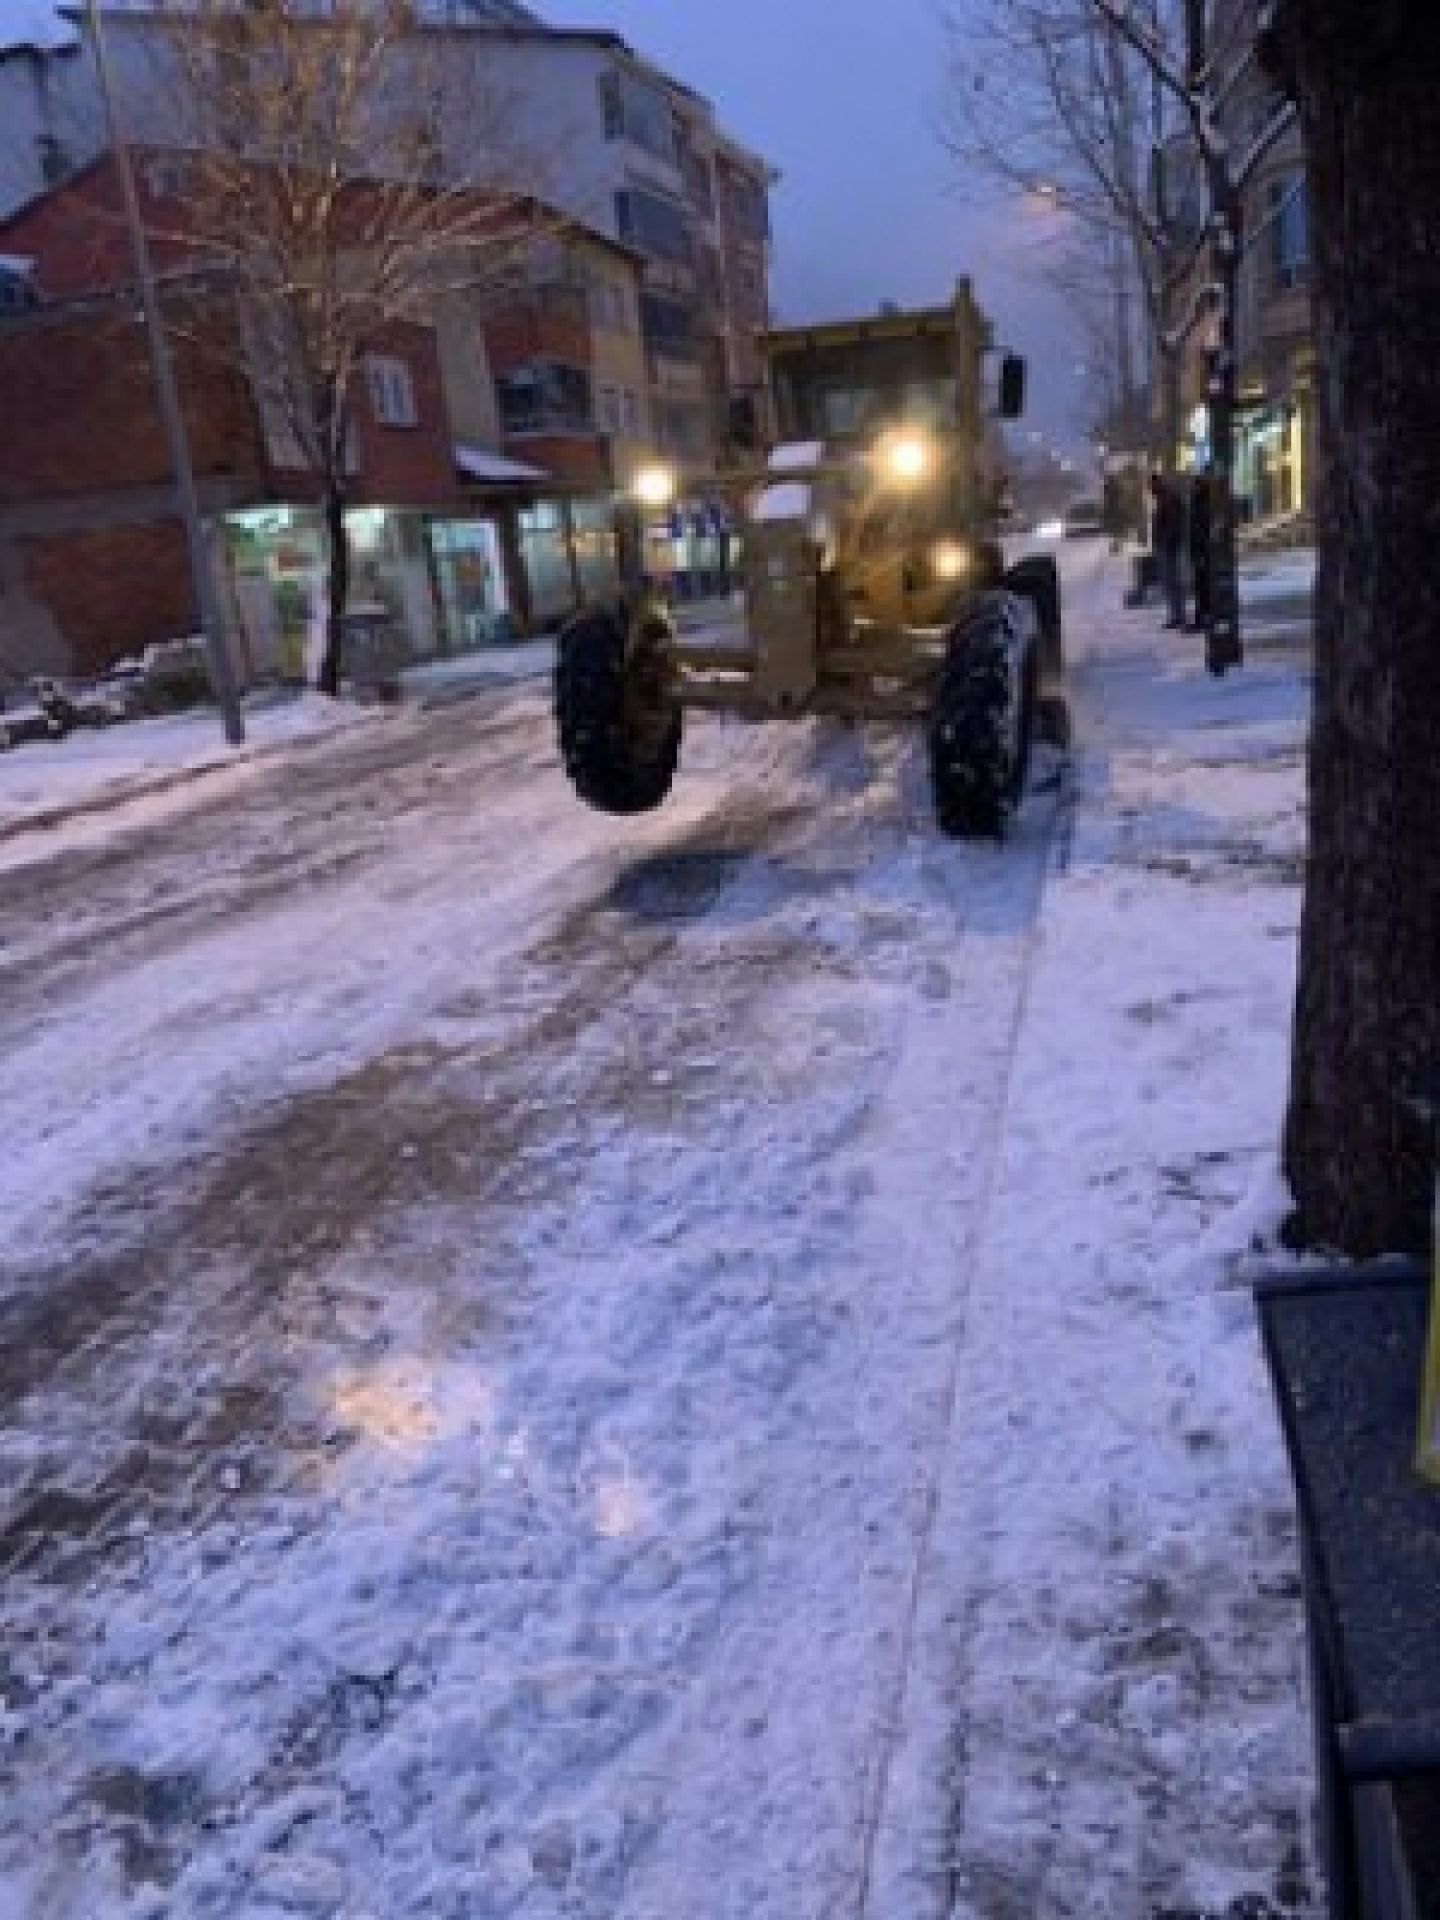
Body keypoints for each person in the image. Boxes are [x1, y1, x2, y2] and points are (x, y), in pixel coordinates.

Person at [1149, 471, 1186, 629]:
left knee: (1172, 583)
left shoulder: (1168, 499)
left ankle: (1177, 616)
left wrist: (1165, 541)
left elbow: (1173, 524)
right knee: (1170, 583)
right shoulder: (1165, 498)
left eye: (1151, 486)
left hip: (1169, 547)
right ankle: (1176, 615)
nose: (1151, 490)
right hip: (1167, 546)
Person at [1188, 470, 1213, 631]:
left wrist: (1201, 552)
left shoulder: (1203, 504)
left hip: (1203, 551)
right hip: (1199, 550)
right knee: (1201, 587)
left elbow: (1201, 530)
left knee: (1203, 587)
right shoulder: (1199, 502)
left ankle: (1204, 617)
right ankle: (1202, 616)